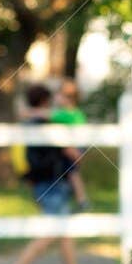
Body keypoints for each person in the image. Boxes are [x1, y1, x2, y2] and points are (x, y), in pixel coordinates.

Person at [6, 84, 79, 264]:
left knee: (64, 231)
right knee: (54, 229)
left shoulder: (25, 126)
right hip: (53, 182)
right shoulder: (48, 126)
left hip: (37, 182)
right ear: (45, 101)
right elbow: (71, 149)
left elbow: (20, 158)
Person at [50, 78, 89, 209]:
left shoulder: (67, 114)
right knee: (70, 173)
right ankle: (76, 200)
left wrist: (28, 112)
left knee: (73, 174)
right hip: (75, 146)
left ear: (68, 98)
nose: (56, 97)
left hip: (73, 147)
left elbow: (48, 115)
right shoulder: (76, 113)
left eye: (59, 94)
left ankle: (82, 200)